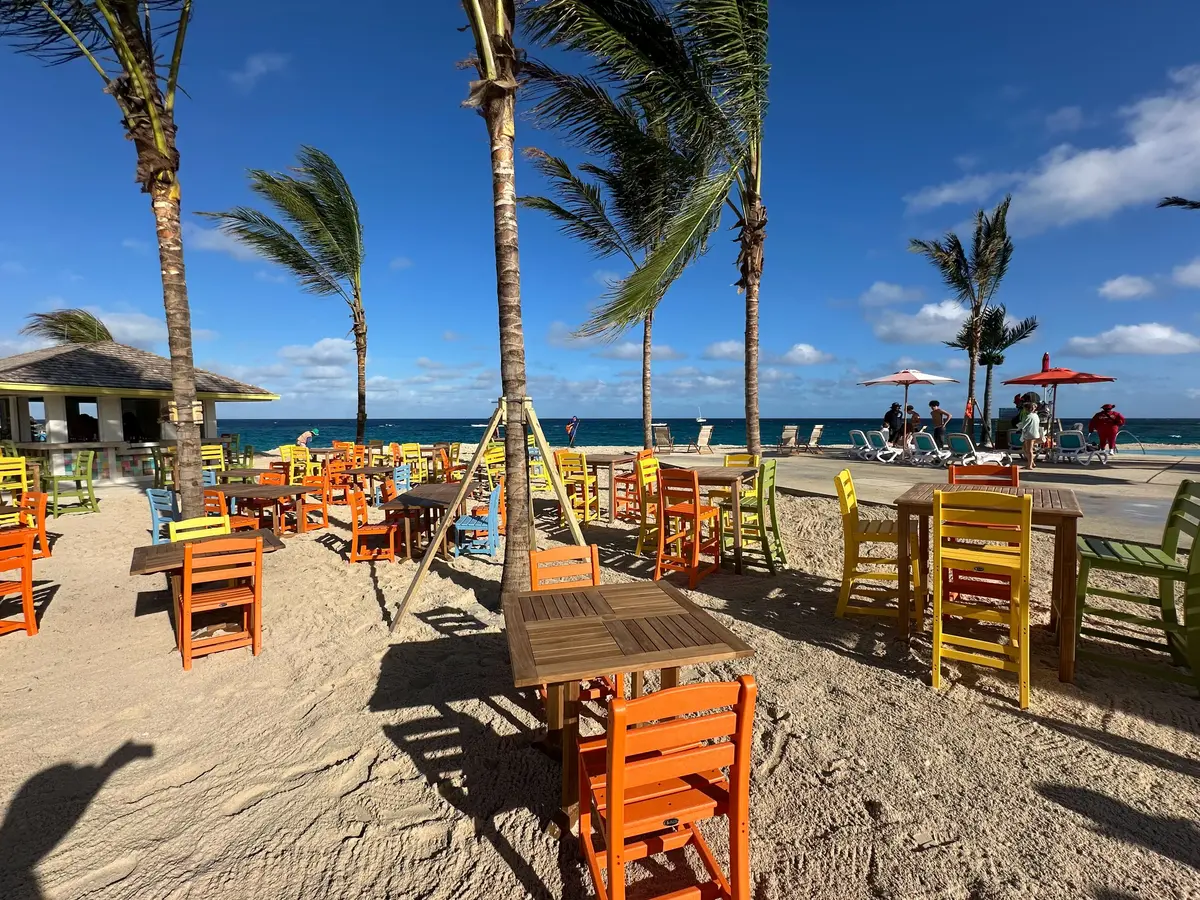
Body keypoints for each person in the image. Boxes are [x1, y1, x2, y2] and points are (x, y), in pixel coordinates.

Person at [1019, 401, 1042, 470]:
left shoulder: (1027, 416)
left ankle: (1029, 465)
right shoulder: (1035, 415)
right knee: (1025, 448)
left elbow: (1023, 425)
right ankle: (1032, 463)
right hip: (1035, 433)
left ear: (1026, 409)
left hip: (1029, 434)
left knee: (1029, 450)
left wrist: (1019, 429)